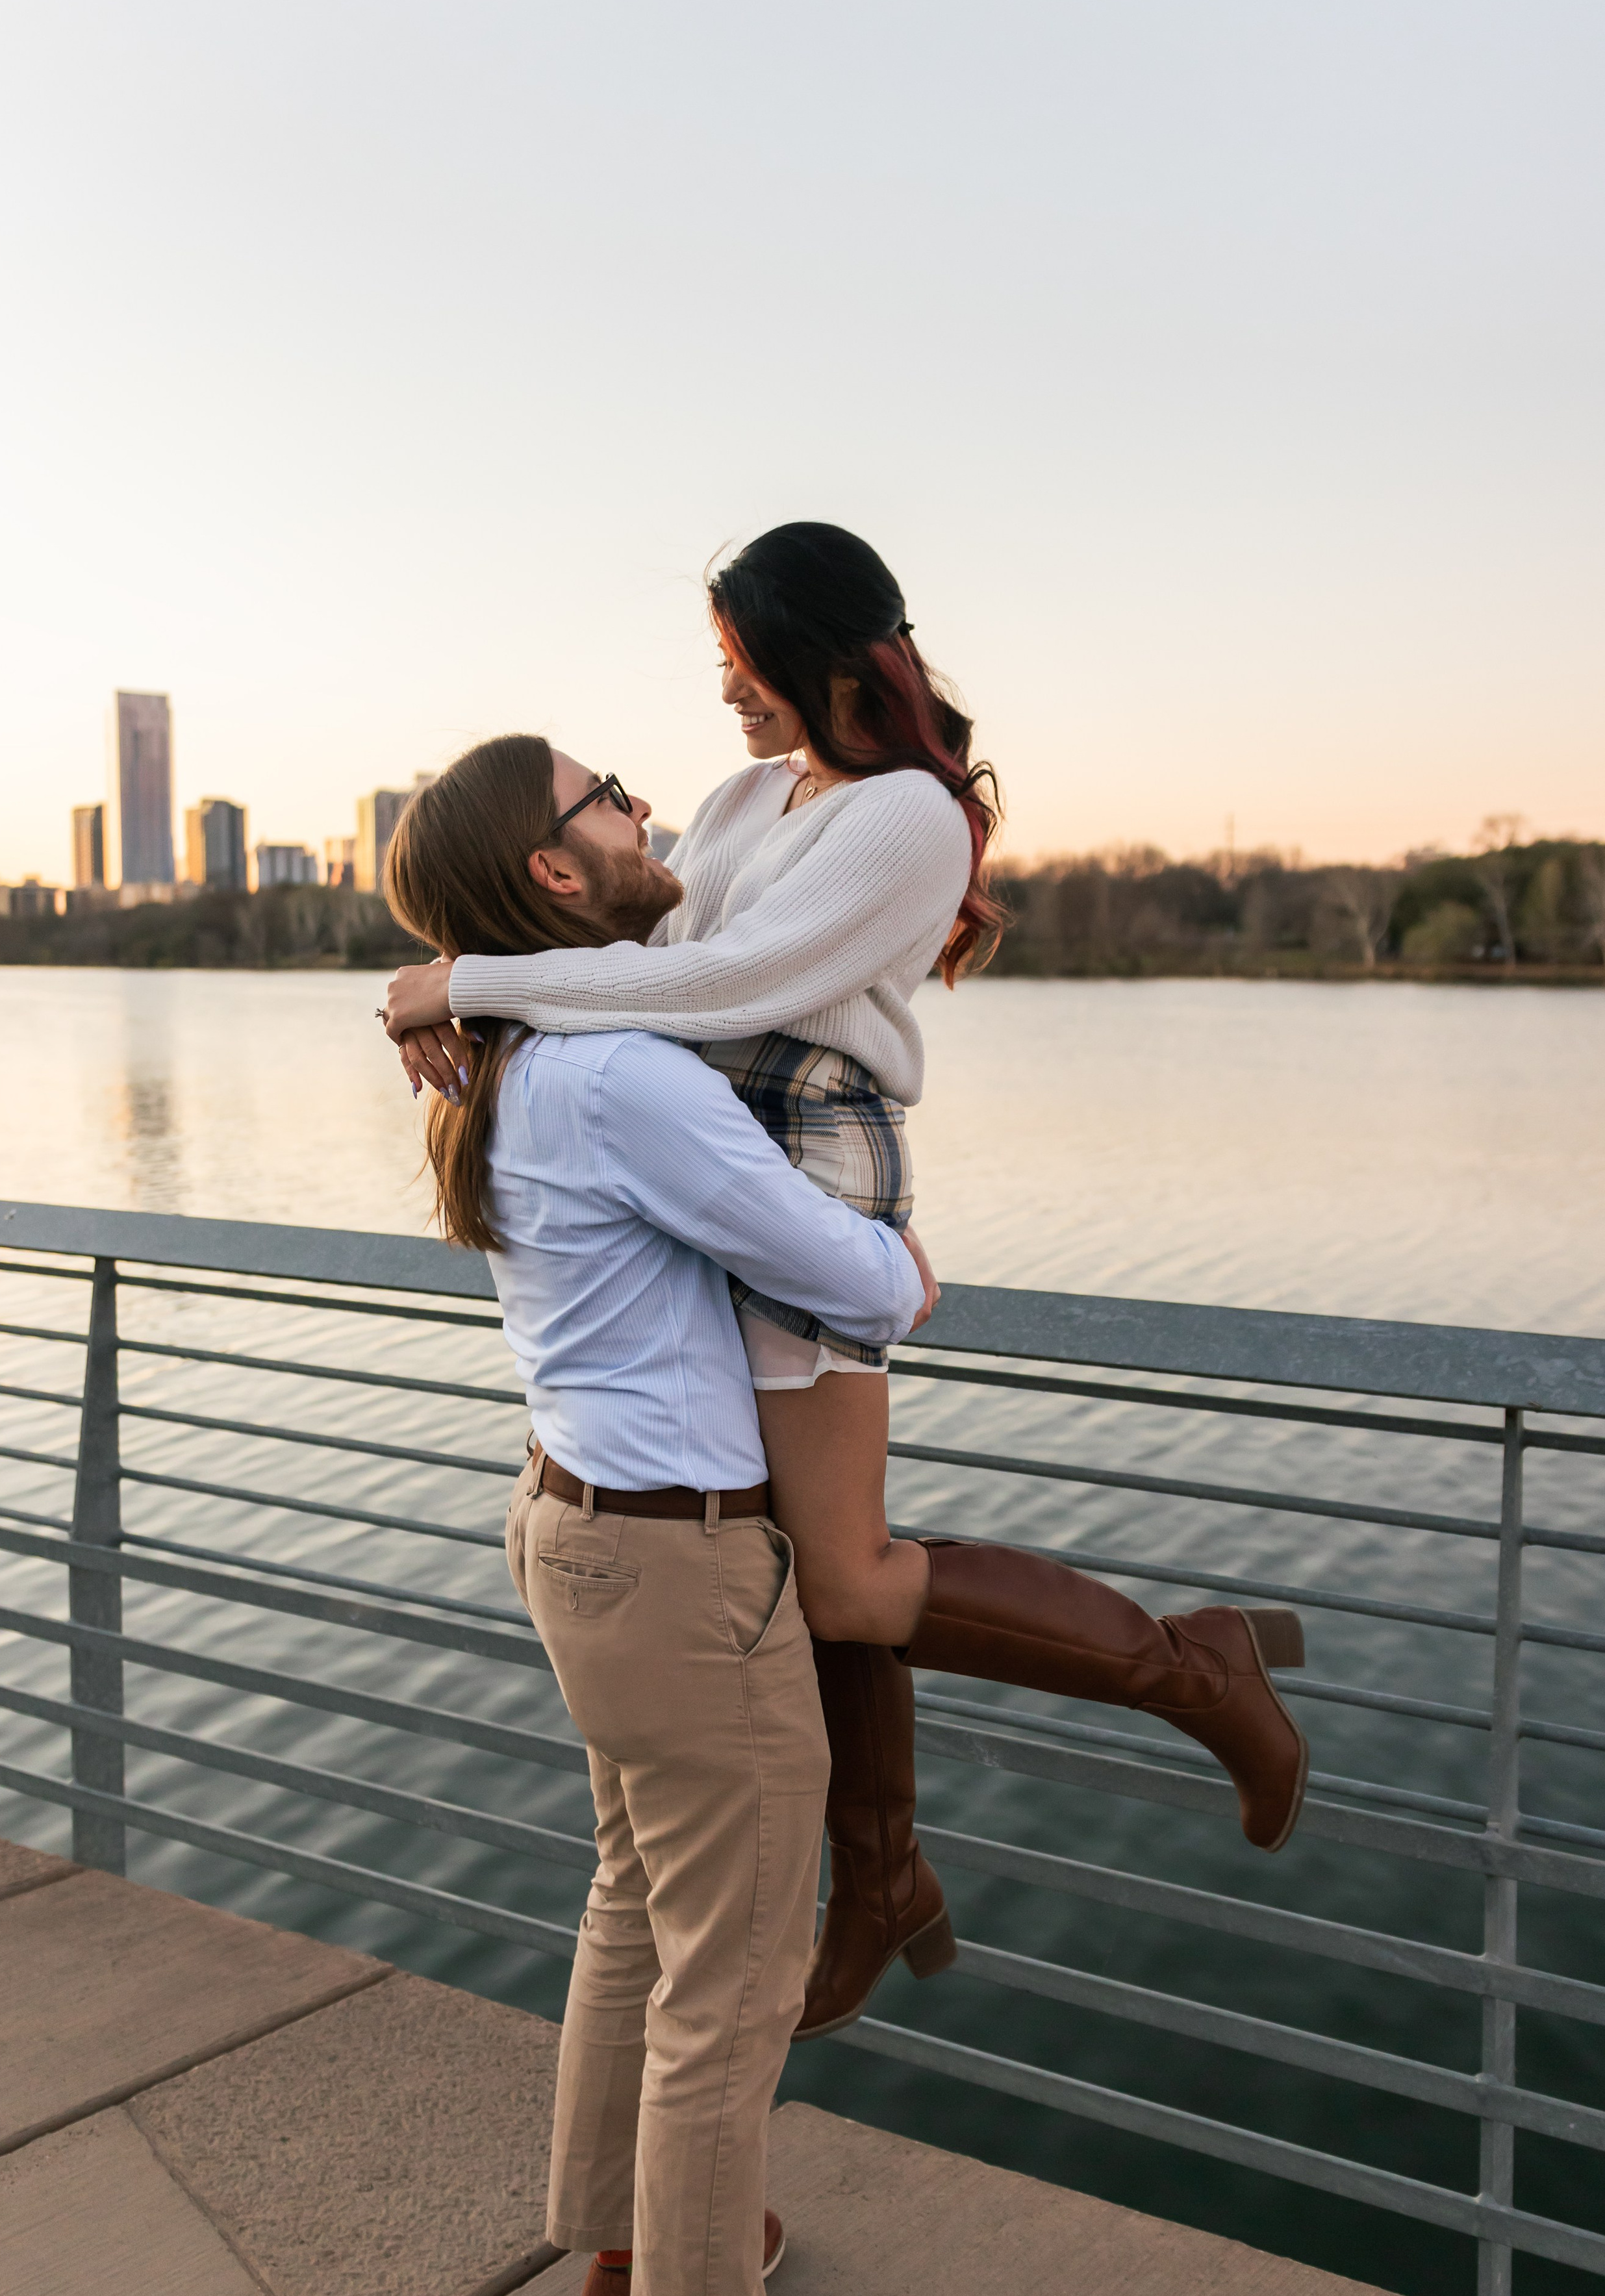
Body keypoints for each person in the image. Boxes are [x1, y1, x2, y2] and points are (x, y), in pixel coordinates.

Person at [381, 525, 1311, 2052]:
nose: (724, 698)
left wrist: (465, 981)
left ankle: (1191, 1672)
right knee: (802, 1573)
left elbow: (717, 989)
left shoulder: (906, 823)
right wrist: (453, 981)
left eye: (741, 666)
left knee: (847, 1579)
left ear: (821, 661)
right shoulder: (752, 798)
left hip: (806, 1156)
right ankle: (876, 1871)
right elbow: (624, 950)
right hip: (701, 1158)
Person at [383, 733, 946, 2296]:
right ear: (557, 874)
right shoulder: (620, 1076)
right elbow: (846, 1273)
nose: (642, 812)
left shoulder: (514, 1060)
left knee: (637, 1909)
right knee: (734, 1981)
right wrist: (910, 1263)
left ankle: (629, 2267)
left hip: (579, 1535)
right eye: (609, 797)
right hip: (678, 1571)